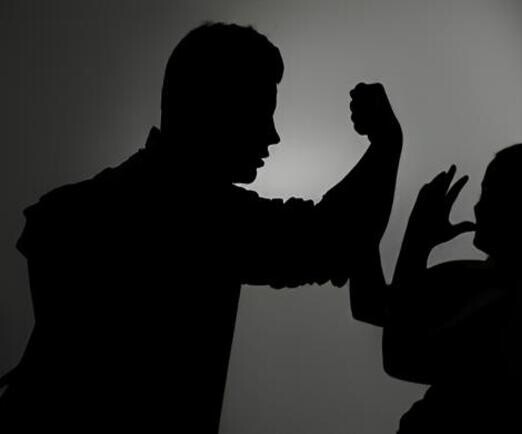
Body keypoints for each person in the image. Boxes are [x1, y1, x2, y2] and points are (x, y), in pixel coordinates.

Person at [0, 23, 403, 431]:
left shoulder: (76, 209)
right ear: (215, 110)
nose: (273, 135)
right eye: (260, 113)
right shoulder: (200, 217)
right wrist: (387, 142)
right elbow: (333, 239)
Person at [351, 144, 522, 433]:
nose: (477, 207)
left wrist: (417, 239)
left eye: (491, 194)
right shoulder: (494, 282)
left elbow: (400, 355)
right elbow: (376, 305)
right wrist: (362, 218)